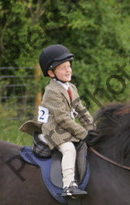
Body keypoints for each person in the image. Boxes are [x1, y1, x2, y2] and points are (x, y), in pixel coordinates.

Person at [36, 44, 96, 197]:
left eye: (69, 66)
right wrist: (83, 132)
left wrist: (92, 127)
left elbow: (81, 109)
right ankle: (69, 185)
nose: (68, 70)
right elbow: (62, 118)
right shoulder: (51, 91)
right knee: (69, 148)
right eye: (62, 68)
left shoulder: (71, 88)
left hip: (67, 127)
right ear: (51, 73)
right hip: (54, 130)